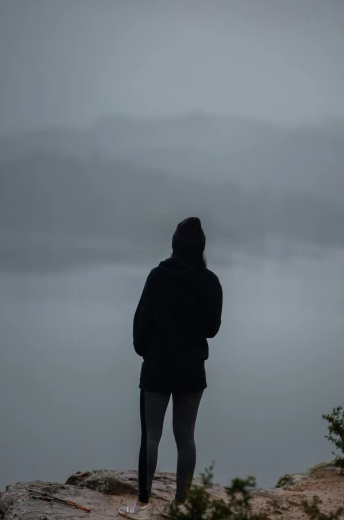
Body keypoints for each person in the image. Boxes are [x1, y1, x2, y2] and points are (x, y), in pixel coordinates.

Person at [118, 217, 223, 519]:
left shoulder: (156, 277)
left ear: (175, 245)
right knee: (186, 437)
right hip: (191, 369)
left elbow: (141, 326)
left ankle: (141, 504)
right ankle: (181, 504)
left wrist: (145, 351)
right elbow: (212, 328)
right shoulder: (210, 281)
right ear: (201, 247)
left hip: (157, 369)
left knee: (151, 436)